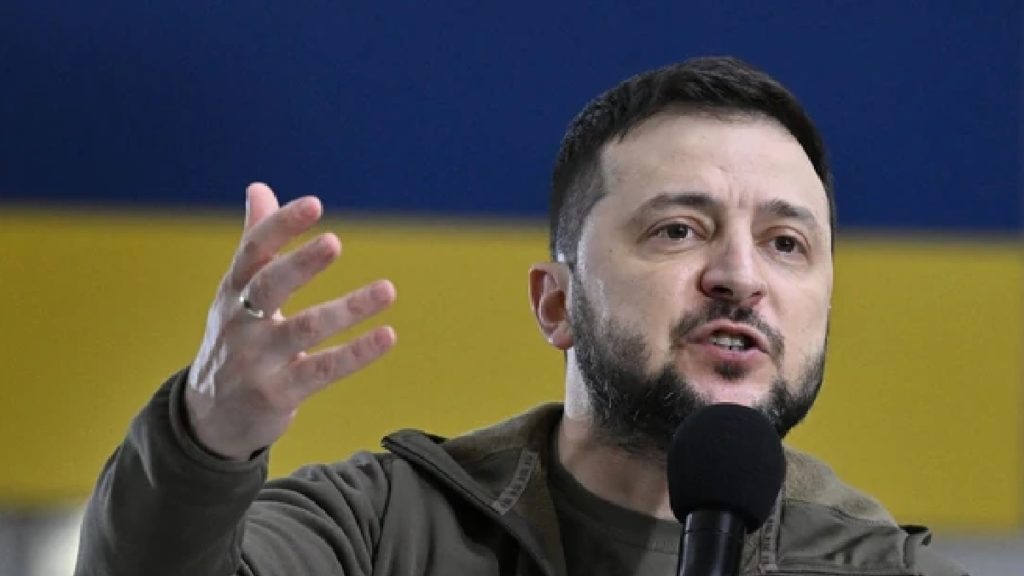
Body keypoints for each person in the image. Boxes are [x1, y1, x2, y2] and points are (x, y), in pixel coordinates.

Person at [74, 56, 967, 576]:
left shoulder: (882, 569)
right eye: (678, 230)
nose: (740, 276)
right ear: (556, 302)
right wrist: (206, 437)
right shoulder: (382, 532)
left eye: (786, 243)